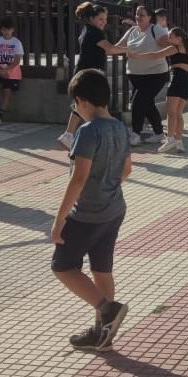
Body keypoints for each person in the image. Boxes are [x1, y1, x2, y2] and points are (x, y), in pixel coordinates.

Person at [50, 68, 131, 351]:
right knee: (101, 267)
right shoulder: (120, 127)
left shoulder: (87, 131)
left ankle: (106, 310)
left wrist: (59, 218)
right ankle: (103, 333)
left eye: (75, 105)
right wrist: (107, 184)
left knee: (62, 266)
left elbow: (79, 178)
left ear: (82, 101)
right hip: (114, 208)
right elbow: (127, 170)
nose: (76, 111)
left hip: (86, 213)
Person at [58, 2, 128, 150]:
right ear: (91, 18)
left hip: (85, 73)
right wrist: (130, 50)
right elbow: (109, 49)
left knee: (85, 105)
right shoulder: (95, 32)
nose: (104, 22)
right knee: (98, 105)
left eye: (105, 19)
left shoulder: (87, 30)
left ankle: (69, 135)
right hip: (90, 74)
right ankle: (108, 134)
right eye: (100, 19)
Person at [128, 27, 188, 154]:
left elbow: (156, 55)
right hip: (186, 80)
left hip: (176, 77)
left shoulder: (174, 48)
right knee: (179, 113)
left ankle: (170, 140)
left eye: (171, 37)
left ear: (179, 38)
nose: (169, 39)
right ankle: (178, 141)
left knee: (171, 112)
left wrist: (136, 55)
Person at [117, 5, 171, 146]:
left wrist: (155, 55)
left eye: (142, 15)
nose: (138, 17)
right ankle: (159, 133)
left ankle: (135, 134)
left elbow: (171, 46)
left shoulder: (155, 29)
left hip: (156, 74)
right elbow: (118, 47)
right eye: (137, 14)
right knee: (147, 104)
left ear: (149, 17)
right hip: (136, 76)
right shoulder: (132, 31)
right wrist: (102, 47)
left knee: (138, 102)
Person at [0, 16, 24, 128]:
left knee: (7, 93)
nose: (6, 32)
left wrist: (7, 70)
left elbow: (17, 59)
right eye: (4, 29)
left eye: (8, 29)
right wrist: (1, 69)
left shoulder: (17, 42)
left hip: (13, 73)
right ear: (0, 30)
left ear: (12, 30)